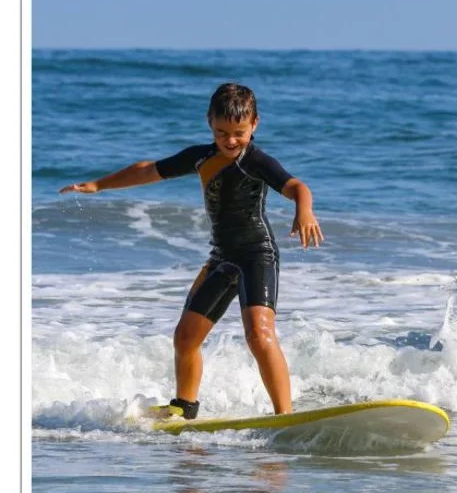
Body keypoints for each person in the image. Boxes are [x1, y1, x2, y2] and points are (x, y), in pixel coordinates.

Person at [60, 83, 323, 419]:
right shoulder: (201, 157)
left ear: (254, 124)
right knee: (185, 338)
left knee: (259, 334)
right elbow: (149, 170)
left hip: (257, 254)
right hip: (221, 258)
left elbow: (296, 186)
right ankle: (184, 408)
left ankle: (284, 417)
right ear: (209, 122)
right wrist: (99, 185)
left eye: (239, 133)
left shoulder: (256, 161)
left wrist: (304, 210)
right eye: (221, 132)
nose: (230, 141)